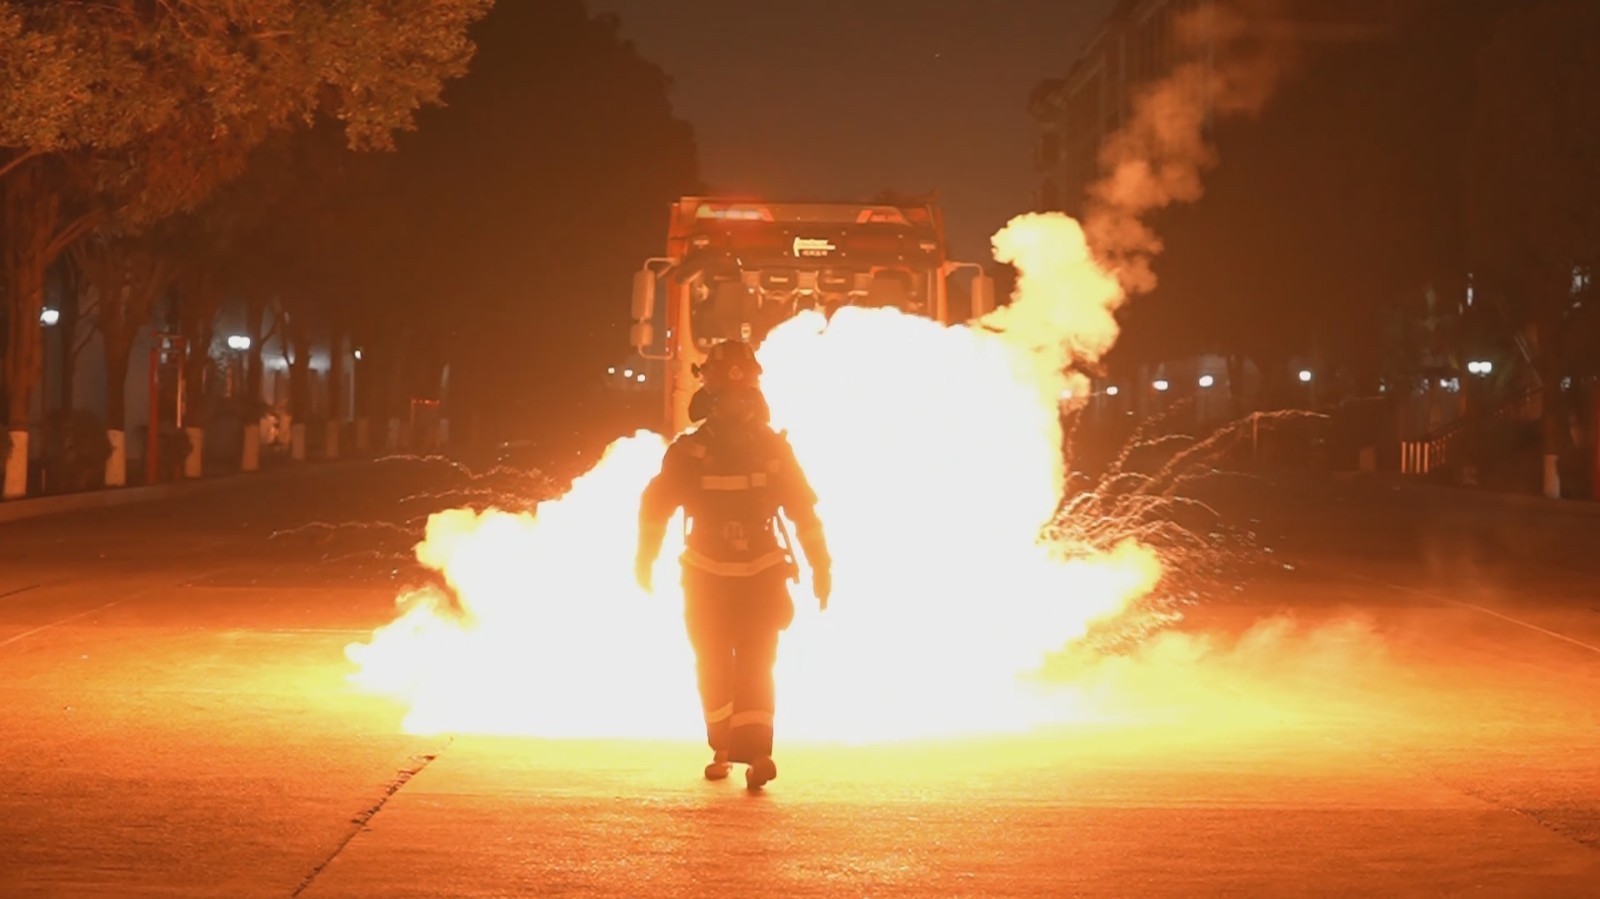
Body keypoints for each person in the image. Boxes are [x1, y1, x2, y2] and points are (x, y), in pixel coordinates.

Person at [635, 342, 831, 791]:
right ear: (711, 399)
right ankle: (722, 745)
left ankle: (758, 753)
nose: (737, 408)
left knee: (758, 661)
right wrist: (643, 558)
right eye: (727, 398)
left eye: (745, 398)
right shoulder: (689, 453)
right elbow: (656, 506)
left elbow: (804, 511)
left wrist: (822, 566)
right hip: (705, 575)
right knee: (714, 662)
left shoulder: (775, 451)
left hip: (762, 574)